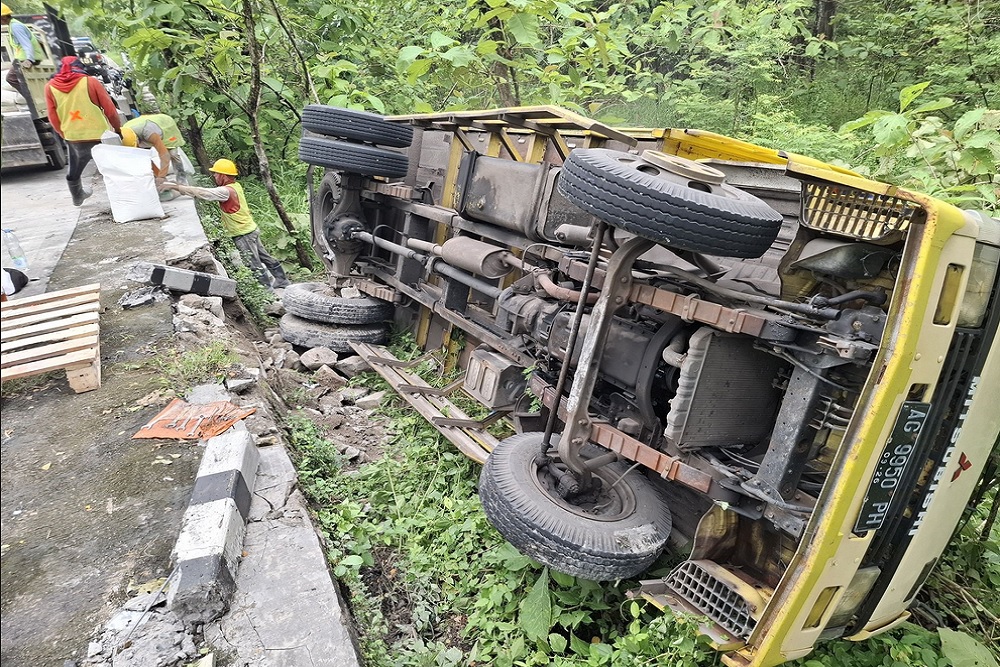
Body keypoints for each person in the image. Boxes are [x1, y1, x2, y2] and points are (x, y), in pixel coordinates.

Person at [160, 159, 290, 289]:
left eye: (216, 174)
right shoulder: (236, 186)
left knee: (253, 263)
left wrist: (176, 187)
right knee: (265, 257)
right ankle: (282, 280)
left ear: (223, 175)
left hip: (243, 233)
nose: (215, 176)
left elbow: (204, 193)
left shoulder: (226, 191)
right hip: (250, 229)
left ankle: (267, 292)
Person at [44, 56, 122, 206]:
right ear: (78, 66)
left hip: (73, 136)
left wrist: (64, 133)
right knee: (113, 167)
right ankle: (121, 197)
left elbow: (52, 117)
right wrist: (117, 129)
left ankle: (77, 195)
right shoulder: (90, 81)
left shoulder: (50, 87)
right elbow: (110, 110)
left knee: (74, 169)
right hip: (100, 135)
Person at [118, 113, 193, 183]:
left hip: (165, 125)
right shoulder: (125, 133)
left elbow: (164, 155)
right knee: (145, 157)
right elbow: (146, 159)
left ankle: (181, 180)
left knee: (173, 154)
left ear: (136, 139)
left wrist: (161, 176)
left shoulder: (148, 132)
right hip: (147, 126)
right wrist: (158, 176)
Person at [1, 4, 41, 98]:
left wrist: (29, 59)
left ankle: (33, 99)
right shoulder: (12, 25)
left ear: (3, 17)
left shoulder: (15, 27)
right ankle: (34, 98)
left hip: (26, 58)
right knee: (20, 79)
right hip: (23, 57)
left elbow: (26, 43)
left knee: (11, 78)